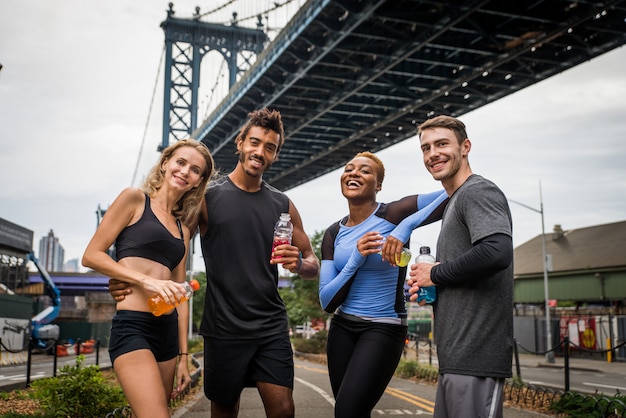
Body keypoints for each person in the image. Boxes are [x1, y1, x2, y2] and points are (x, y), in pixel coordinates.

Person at [111, 108, 320, 418]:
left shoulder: (283, 204)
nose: (260, 152)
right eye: (254, 142)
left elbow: (313, 263)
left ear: (276, 155)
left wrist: (300, 263)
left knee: (283, 409)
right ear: (239, 142)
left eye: (270, 147)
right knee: (224, 409)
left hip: (270, 325)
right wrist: (128, 275)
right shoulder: (205, 198)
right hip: (223, 326)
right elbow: (168, 243)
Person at [82, 139, 215, 418]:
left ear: (197, 182)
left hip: (166, 333)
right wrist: (145, 281)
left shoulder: (184, 232)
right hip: (133, 327)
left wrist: (182, 358)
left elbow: (180, 297)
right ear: (165, 163)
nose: (184, 171)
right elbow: (92, 255)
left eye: (194, 170)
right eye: (180, 162)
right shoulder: (134, 199)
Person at [318, 151, 447, 417]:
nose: (354, 173)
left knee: (348, 412)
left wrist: (406, 226)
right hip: (342, 328)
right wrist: (356, 257)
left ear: (378, 185)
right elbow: (327, 301)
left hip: (383, 328)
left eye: (365, 171)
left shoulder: (396, 212)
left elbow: (455, 190)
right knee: (347, 412)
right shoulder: (333, 233)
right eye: (349, 168)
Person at [405, 115, 514, 418]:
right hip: (456, 358)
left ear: (465, 147)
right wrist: (429, 285)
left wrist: (435, 273)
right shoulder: (454, 201)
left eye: (442, 144)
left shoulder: (478, 191)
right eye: (426, 148)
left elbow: (496, 252)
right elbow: (466, 271)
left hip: (476, 356)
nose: (433, 154)